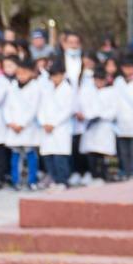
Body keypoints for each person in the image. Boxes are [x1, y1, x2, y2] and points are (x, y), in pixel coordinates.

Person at [3, 58, 42, 191]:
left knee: (30, 154)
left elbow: (34, 108)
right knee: (15, 155)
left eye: (24, 73)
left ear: (31, 73)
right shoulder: (12, 86)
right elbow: (6, 106)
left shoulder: (35, 87)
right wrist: (10, 122)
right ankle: (16, 180)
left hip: (28, 127)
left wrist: (22, 124)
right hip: (13, 127)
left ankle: (32, 181)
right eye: (19, 73)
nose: (21, 76)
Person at [37, 61, 76, 190]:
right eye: (53, 76)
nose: (55, 78)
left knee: (60, 156)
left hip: (60, 128)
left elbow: (67, 110)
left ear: (63, 75)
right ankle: (53, 179)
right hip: (46, 127)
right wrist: (44, 122)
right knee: (48, 155)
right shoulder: (46, 88)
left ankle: (63, 181)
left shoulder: (68, 90)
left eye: (58, 75)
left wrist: (53, 123)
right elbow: (40, 107)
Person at [79, 69, 117, 183]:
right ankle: (94, 175)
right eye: (97, 80)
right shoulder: (87, 91)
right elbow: (84, 106)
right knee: (91, 152)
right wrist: (87, 115)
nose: (99, 82)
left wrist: (101, 115)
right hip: (90, 125)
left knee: (106, 153)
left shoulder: (112, 92)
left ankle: (107, 175)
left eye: (101, 80)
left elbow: (114, 110)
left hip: (105, 125)